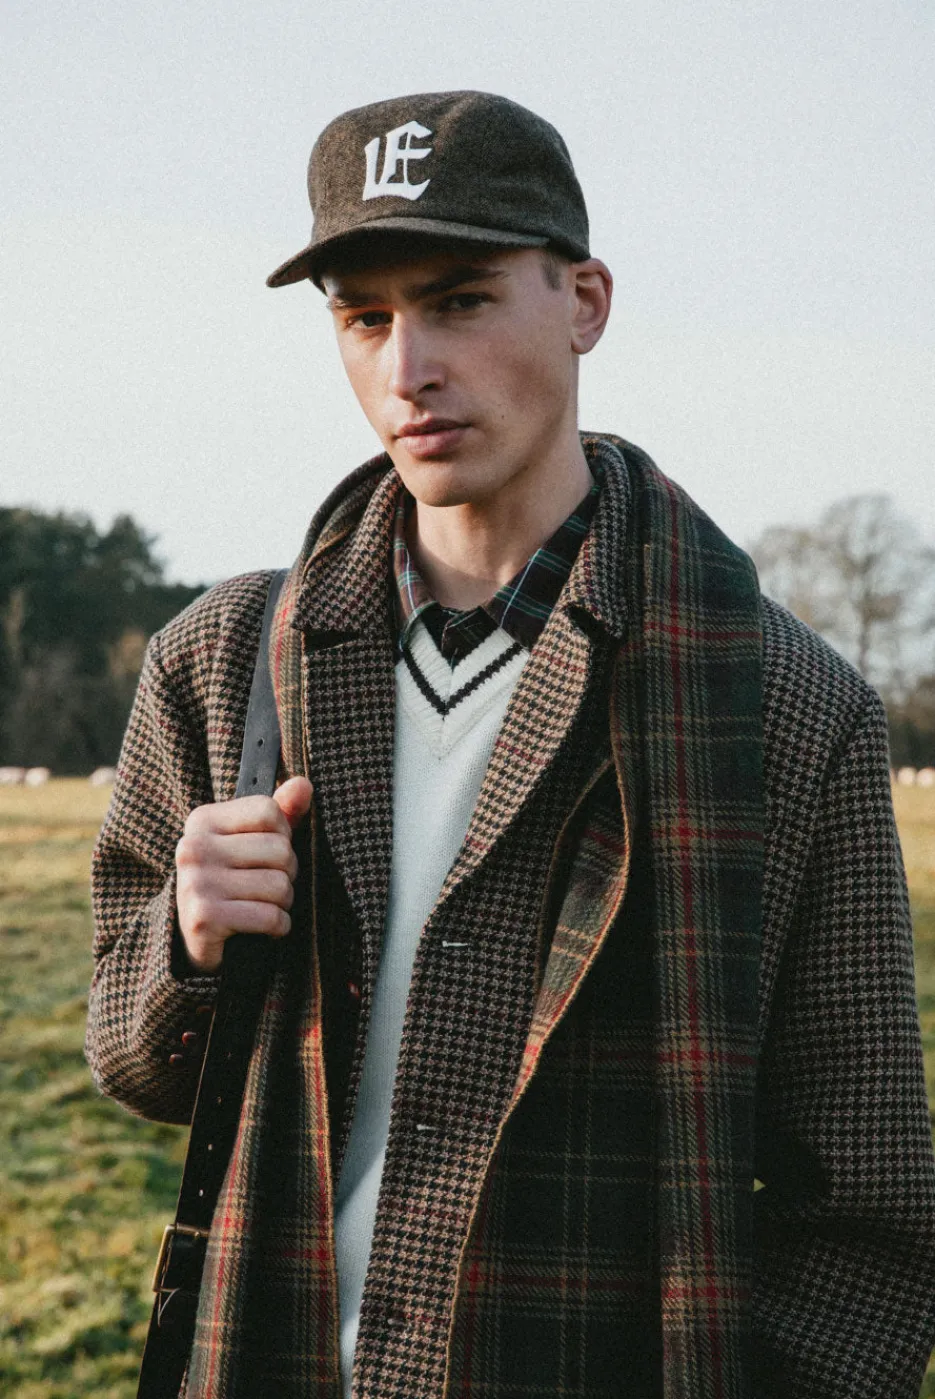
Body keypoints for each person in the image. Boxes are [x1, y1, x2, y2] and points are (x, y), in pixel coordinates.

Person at [85, 90, 935, 1399]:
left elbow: (864, 1212)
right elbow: (132, 1064)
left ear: (584, 300)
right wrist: (184, 947)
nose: (407, 368)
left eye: (460, 300)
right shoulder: (223, 661)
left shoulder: (785, 705)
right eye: (364, 317)